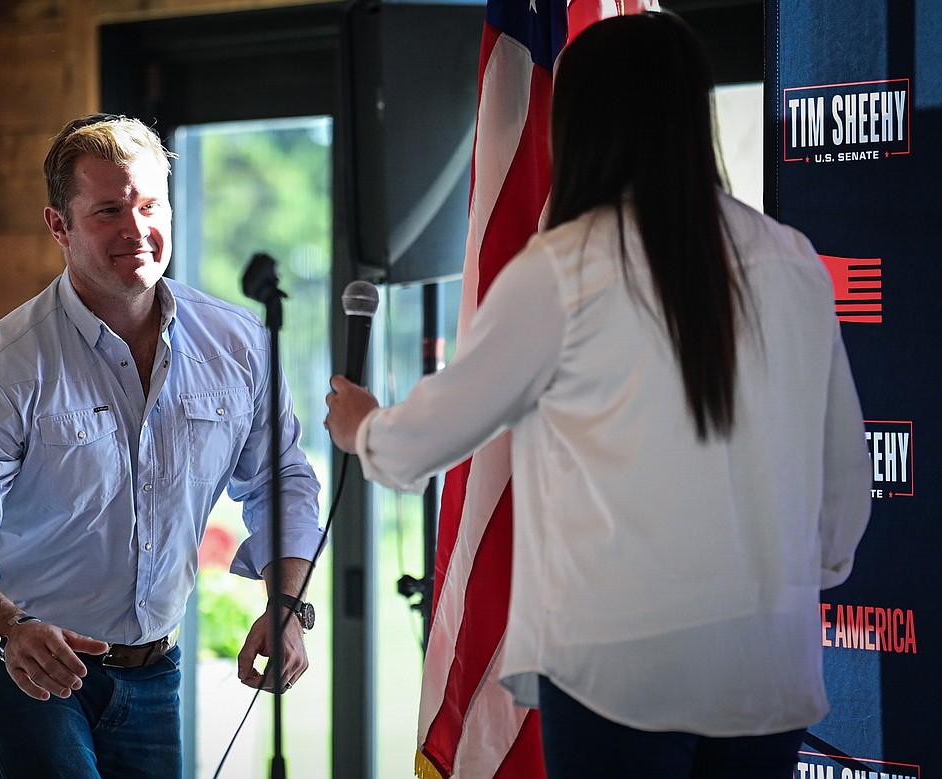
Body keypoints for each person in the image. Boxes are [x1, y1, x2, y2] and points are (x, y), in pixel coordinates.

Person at [324, 11, 870, 779]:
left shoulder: (562, 268)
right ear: (692, 112)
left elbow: (427, 441)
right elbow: (843, 485)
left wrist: (363, 427)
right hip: (765, 672)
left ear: (575, 124)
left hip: (616, 676)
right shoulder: (792, 260)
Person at [0, 113, 323, 778]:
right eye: (107, 210)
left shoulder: (238, 345)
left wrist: (287, 602)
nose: (135, 229)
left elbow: (281, 480)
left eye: (149, 205)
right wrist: (9, 629)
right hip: (21, 663)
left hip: (156, 669)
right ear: (58, 226)